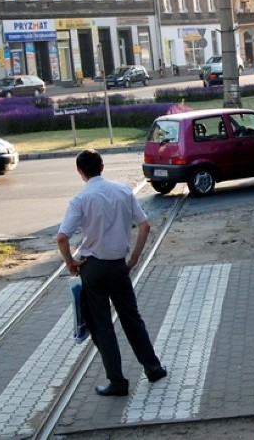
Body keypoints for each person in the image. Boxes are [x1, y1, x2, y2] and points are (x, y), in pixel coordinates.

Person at [57, 149, 167, 397]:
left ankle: (117, 381)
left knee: (102, 325)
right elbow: (145, 225)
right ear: (102, 166)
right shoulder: (123, 190)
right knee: (132, 318)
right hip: (118, 266)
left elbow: (62, 237)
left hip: (92, 267)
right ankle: (153, 368)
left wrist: (70, 262)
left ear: (80, 172)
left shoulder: (80, 199)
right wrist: (134, 258)